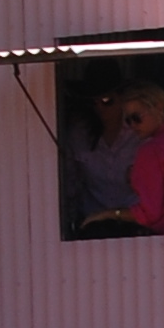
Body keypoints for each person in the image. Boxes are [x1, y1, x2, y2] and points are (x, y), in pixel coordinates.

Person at [77, 83, 164, 238]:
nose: (132, 126)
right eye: (128, 120)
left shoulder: (151, 150)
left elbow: (149, 214)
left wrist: (107, 215)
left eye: (136, 118)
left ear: (158, 108)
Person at [63, 77, 146, 238]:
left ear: (122, 99)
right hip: (93, 225)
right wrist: (71, 225)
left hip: (135, 223)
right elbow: (71, 181)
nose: (100, 107)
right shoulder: (79, 134)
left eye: (107, 100)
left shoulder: (139, 132)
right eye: (93, 102)